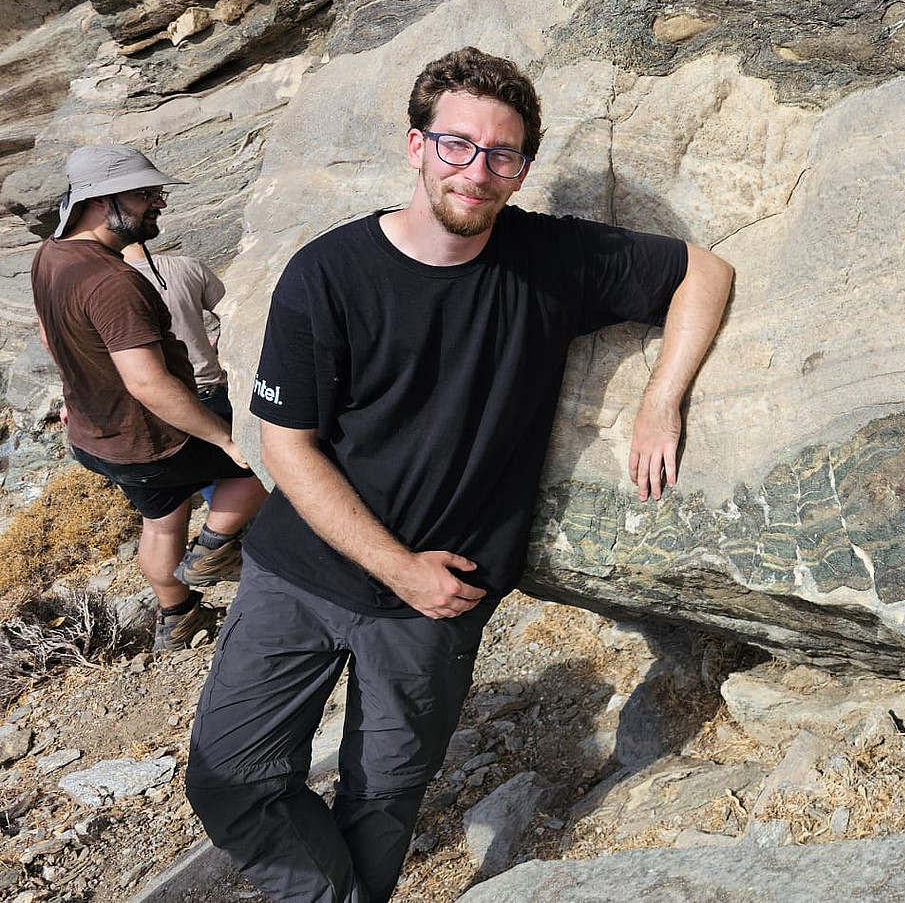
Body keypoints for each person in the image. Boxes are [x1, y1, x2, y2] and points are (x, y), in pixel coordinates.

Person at [184, 47, 734, 903]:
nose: (477, 171)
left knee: (385, 795)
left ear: (522, 169)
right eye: (457, 145)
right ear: (416, 146)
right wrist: (399, 567)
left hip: (442, 598)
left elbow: (705, 271)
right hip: (304, 574)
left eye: (503, 154)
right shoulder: (327, 275)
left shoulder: (547, 259)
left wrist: (662, 398)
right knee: (232, 777)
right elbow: (286, 447)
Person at [29, 145, 269, 651]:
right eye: (144, 194)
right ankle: (213, 554)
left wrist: (78, 391)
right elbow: (148, 383)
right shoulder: (113, 281)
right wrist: (226, 439)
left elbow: (54, 337)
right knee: (268, 456)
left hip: (97, 439)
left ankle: (177, 618)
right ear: (99, 201)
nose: (158, 202)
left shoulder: (51, 255)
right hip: (154, 438)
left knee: (162, 523)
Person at [122, 241, 230, 504]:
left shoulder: (103, 284)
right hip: (206, 390)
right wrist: (216, 341)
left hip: (150, 402)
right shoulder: (186, 267)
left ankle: (218, 530)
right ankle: (223, 533)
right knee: (234, 468)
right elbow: (232, 314)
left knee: (183, 482)